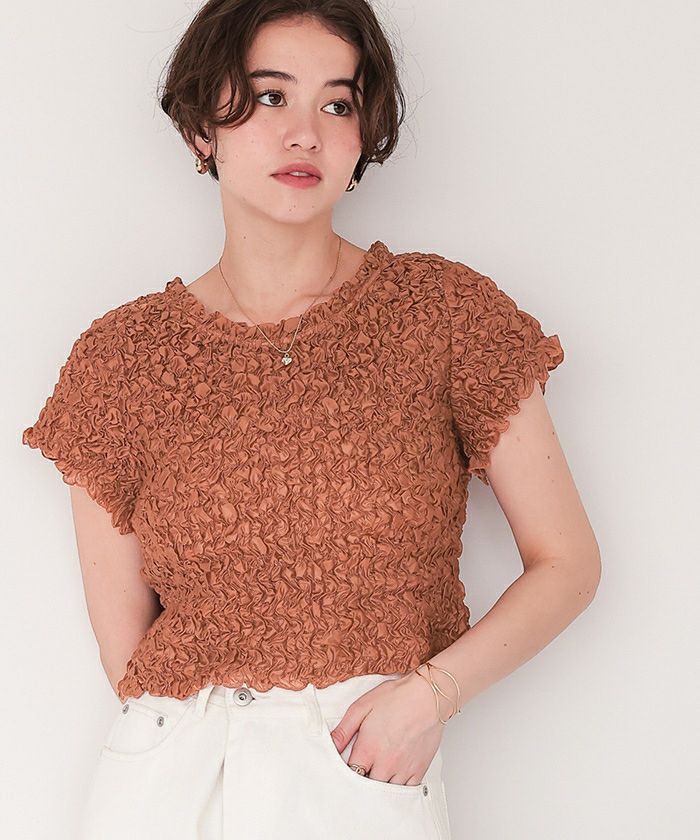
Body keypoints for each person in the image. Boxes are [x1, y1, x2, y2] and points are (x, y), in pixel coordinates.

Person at [21, 2, 601, 838]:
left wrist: (428, 698)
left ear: (363, 136)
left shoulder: (442, 315)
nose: (306, 134)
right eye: (270, 97)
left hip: (361, 767)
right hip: (173, 783)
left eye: (337, 103)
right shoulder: (121, 361)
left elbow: (568, 563)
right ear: (200, 129)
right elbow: (132, 663)